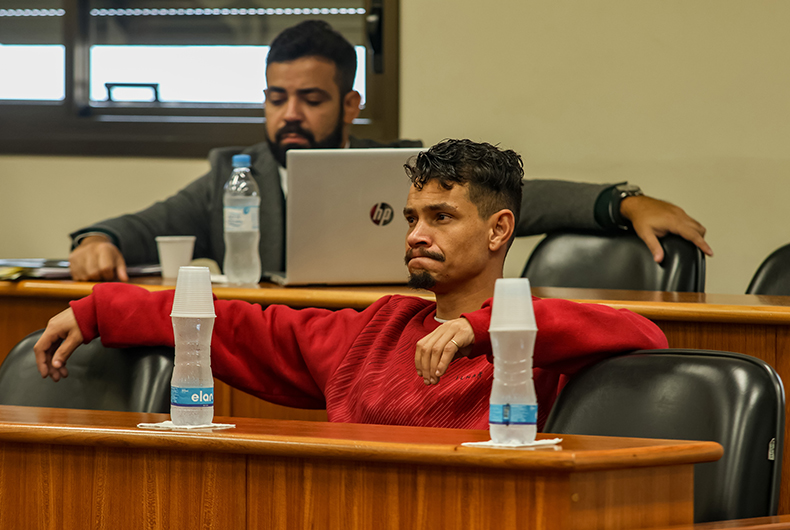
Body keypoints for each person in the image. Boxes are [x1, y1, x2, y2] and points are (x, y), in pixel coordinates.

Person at [38, 139, 668, 431]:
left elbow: (643, 333)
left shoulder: (535, 339)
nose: (416, 235)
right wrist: (100, 309)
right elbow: (242, 328)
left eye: (441, 218)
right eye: (412, 218)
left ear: (499, 230)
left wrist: (477, 330)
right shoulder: (380, 327)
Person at [68, 20, 712, 283]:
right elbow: (145, 226)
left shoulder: (406, 169)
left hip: (395, 338)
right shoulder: (234, 174)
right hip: (284, 343)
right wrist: (98, 238)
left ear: (350, 105)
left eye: (310, 99)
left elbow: (516, 199)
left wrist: (622, 202)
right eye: (276, 98)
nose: (290, 115)